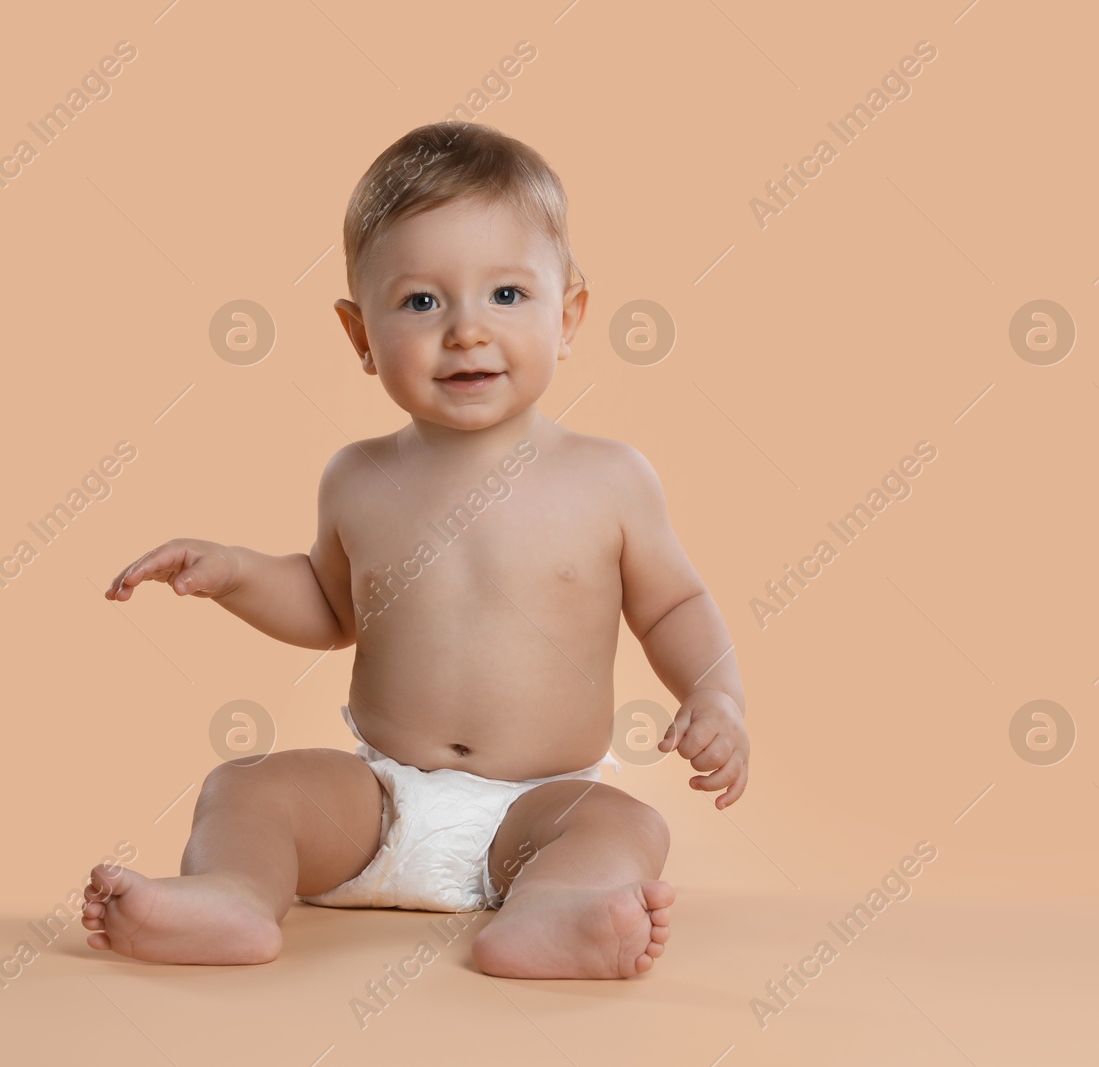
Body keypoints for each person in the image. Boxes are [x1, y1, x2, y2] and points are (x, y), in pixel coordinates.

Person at [83, 121, 748, 979]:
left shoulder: (609, 479)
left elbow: (675, 605)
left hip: (535, 809)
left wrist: (716, 694)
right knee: (243, 788)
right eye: (422, 302)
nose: (467, 331)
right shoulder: (356, 478)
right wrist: (237, 573)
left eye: (507, 295)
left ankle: (555, 914)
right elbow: (329, 610)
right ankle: (233, 897)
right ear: (361, 337)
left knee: (624, 825)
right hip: (380, 799)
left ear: (569, 314)